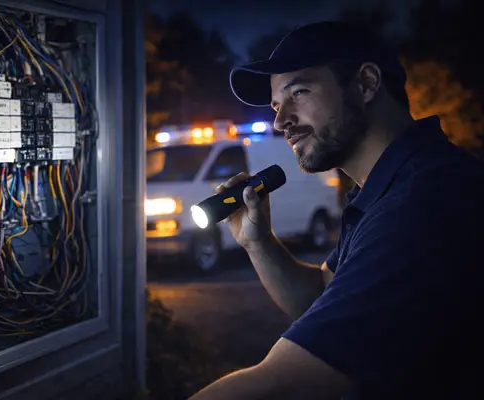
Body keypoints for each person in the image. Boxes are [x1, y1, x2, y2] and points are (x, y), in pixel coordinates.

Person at [189, 21, 484, 399]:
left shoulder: (426, 201)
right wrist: (257, 242)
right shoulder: (385, 190)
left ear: (365, 84)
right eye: (277, 105)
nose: (281, 121)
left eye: (299, 91)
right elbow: (320, 298)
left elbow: (284, 386)